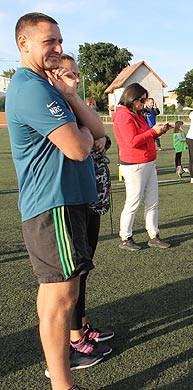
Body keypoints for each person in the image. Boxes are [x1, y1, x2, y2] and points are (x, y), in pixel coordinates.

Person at [7, 12, 106, 389]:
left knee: (63, 292)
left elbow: (97, 131)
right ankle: (62, 383)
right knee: (61, 296)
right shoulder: (30, 87)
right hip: (54, 204)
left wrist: (69, 96)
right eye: (50, 41)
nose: (59, 48)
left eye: (60, 41)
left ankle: (61, 380)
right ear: (25, 43)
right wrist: (83, 134)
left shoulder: (49, 88)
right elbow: (80, 147)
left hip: (65, 202)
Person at [60, 53, 114, 365]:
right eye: (70, 75)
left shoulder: (76, 105)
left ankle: (79, 326)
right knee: (72, 275)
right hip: (71, 200)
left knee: (84, 269)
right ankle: (73, 337)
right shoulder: (57, 107)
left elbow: (100, 137)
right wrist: (91, 137)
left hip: (91, 198)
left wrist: (98, 138)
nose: (76, 80)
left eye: (78, 75)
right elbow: (81, 142)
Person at [112, 83, 171, 251]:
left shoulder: (135, 114)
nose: (144, 103)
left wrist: (160, 131)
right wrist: (153, 132)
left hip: (147, 162)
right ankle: (125, 237)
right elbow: (132, 141)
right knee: (133, 201)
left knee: (153, 201)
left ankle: (153, 235)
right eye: (142, 100)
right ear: (132, 99)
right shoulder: (124, 116)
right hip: (134, 165)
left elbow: (144, 136)